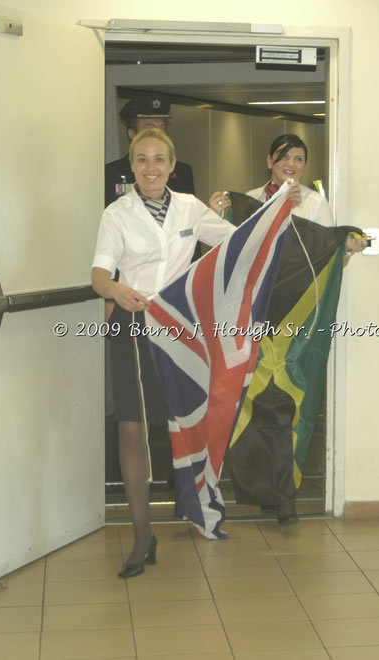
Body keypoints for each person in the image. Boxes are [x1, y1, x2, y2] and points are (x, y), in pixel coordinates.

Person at [91, 128, 234, 578]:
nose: (150, 168)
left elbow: (239, 242)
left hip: (179, 327)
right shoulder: (116, 213)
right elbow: (98, 274)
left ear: (173, 166)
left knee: (187, 425)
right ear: (131, 166)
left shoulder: (192, 208)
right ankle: (140, 536)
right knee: (133, 431)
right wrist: (115, 288)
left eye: (159, 160)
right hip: (132, 325)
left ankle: (195, 508)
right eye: (141, 160)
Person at [212, 133, 364, 526]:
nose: (291, 164)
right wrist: (219, 215)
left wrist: (343, 247)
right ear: (269, 159)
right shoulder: (248, 200)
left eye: (299, 158)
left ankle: (286, 495)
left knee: (289, 407)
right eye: (284, 157)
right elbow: (229, 257)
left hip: (296, 325)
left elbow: (330, 263)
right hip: (255, 321)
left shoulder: (316, 204)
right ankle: (260, 489)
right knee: (254, 406)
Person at [104, 94, 196, 208]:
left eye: (162, 128)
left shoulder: (181, 172)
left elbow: (189, 217)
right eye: (151, 129)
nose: (158, 134)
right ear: (132, 134)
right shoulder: (110, 174)